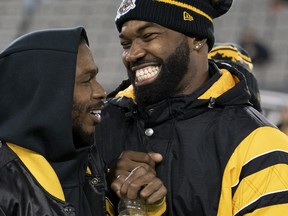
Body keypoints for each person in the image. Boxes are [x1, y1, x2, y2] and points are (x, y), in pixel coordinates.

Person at [95, 0, 288, 215]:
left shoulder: (258, 142)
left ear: (197, 38)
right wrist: (101, 183)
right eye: (125, 44)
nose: (132, 54)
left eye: (149, 36)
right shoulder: (100, 122)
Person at [0, 26, 166, 216]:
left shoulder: (96, 169)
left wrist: (144, 208)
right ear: (48, 94)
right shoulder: (6, 186)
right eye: (87, 81)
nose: (101, 92)